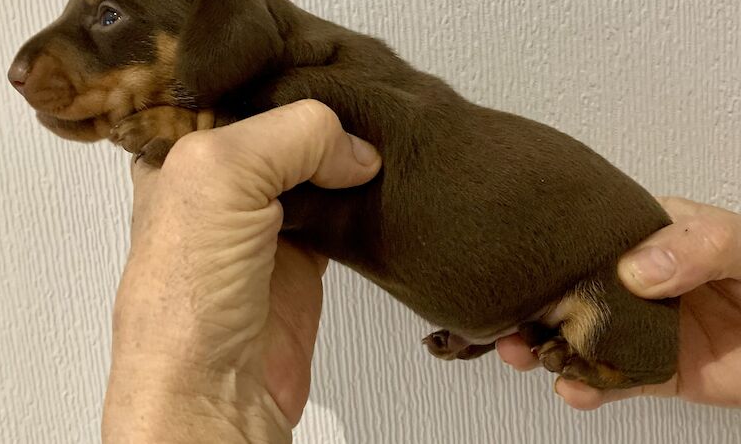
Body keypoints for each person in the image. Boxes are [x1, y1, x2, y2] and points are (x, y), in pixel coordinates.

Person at [102, 100, 741, 443]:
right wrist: (200, 402)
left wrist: (198, 408)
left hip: (595, 288)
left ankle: (593, 346)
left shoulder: (329, 105)